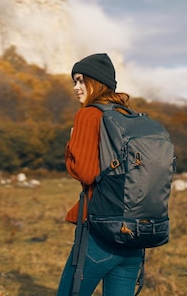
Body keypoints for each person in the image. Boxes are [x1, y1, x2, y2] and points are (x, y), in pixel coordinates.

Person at [57, 53, 144, 296]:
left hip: (100, 232)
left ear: (96, 82)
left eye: (81, 80)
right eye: (74, 81)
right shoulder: (127, 115)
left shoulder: (88, 115)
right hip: (135, 234)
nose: (76, 87)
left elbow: (86, 173)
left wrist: (71, 144)